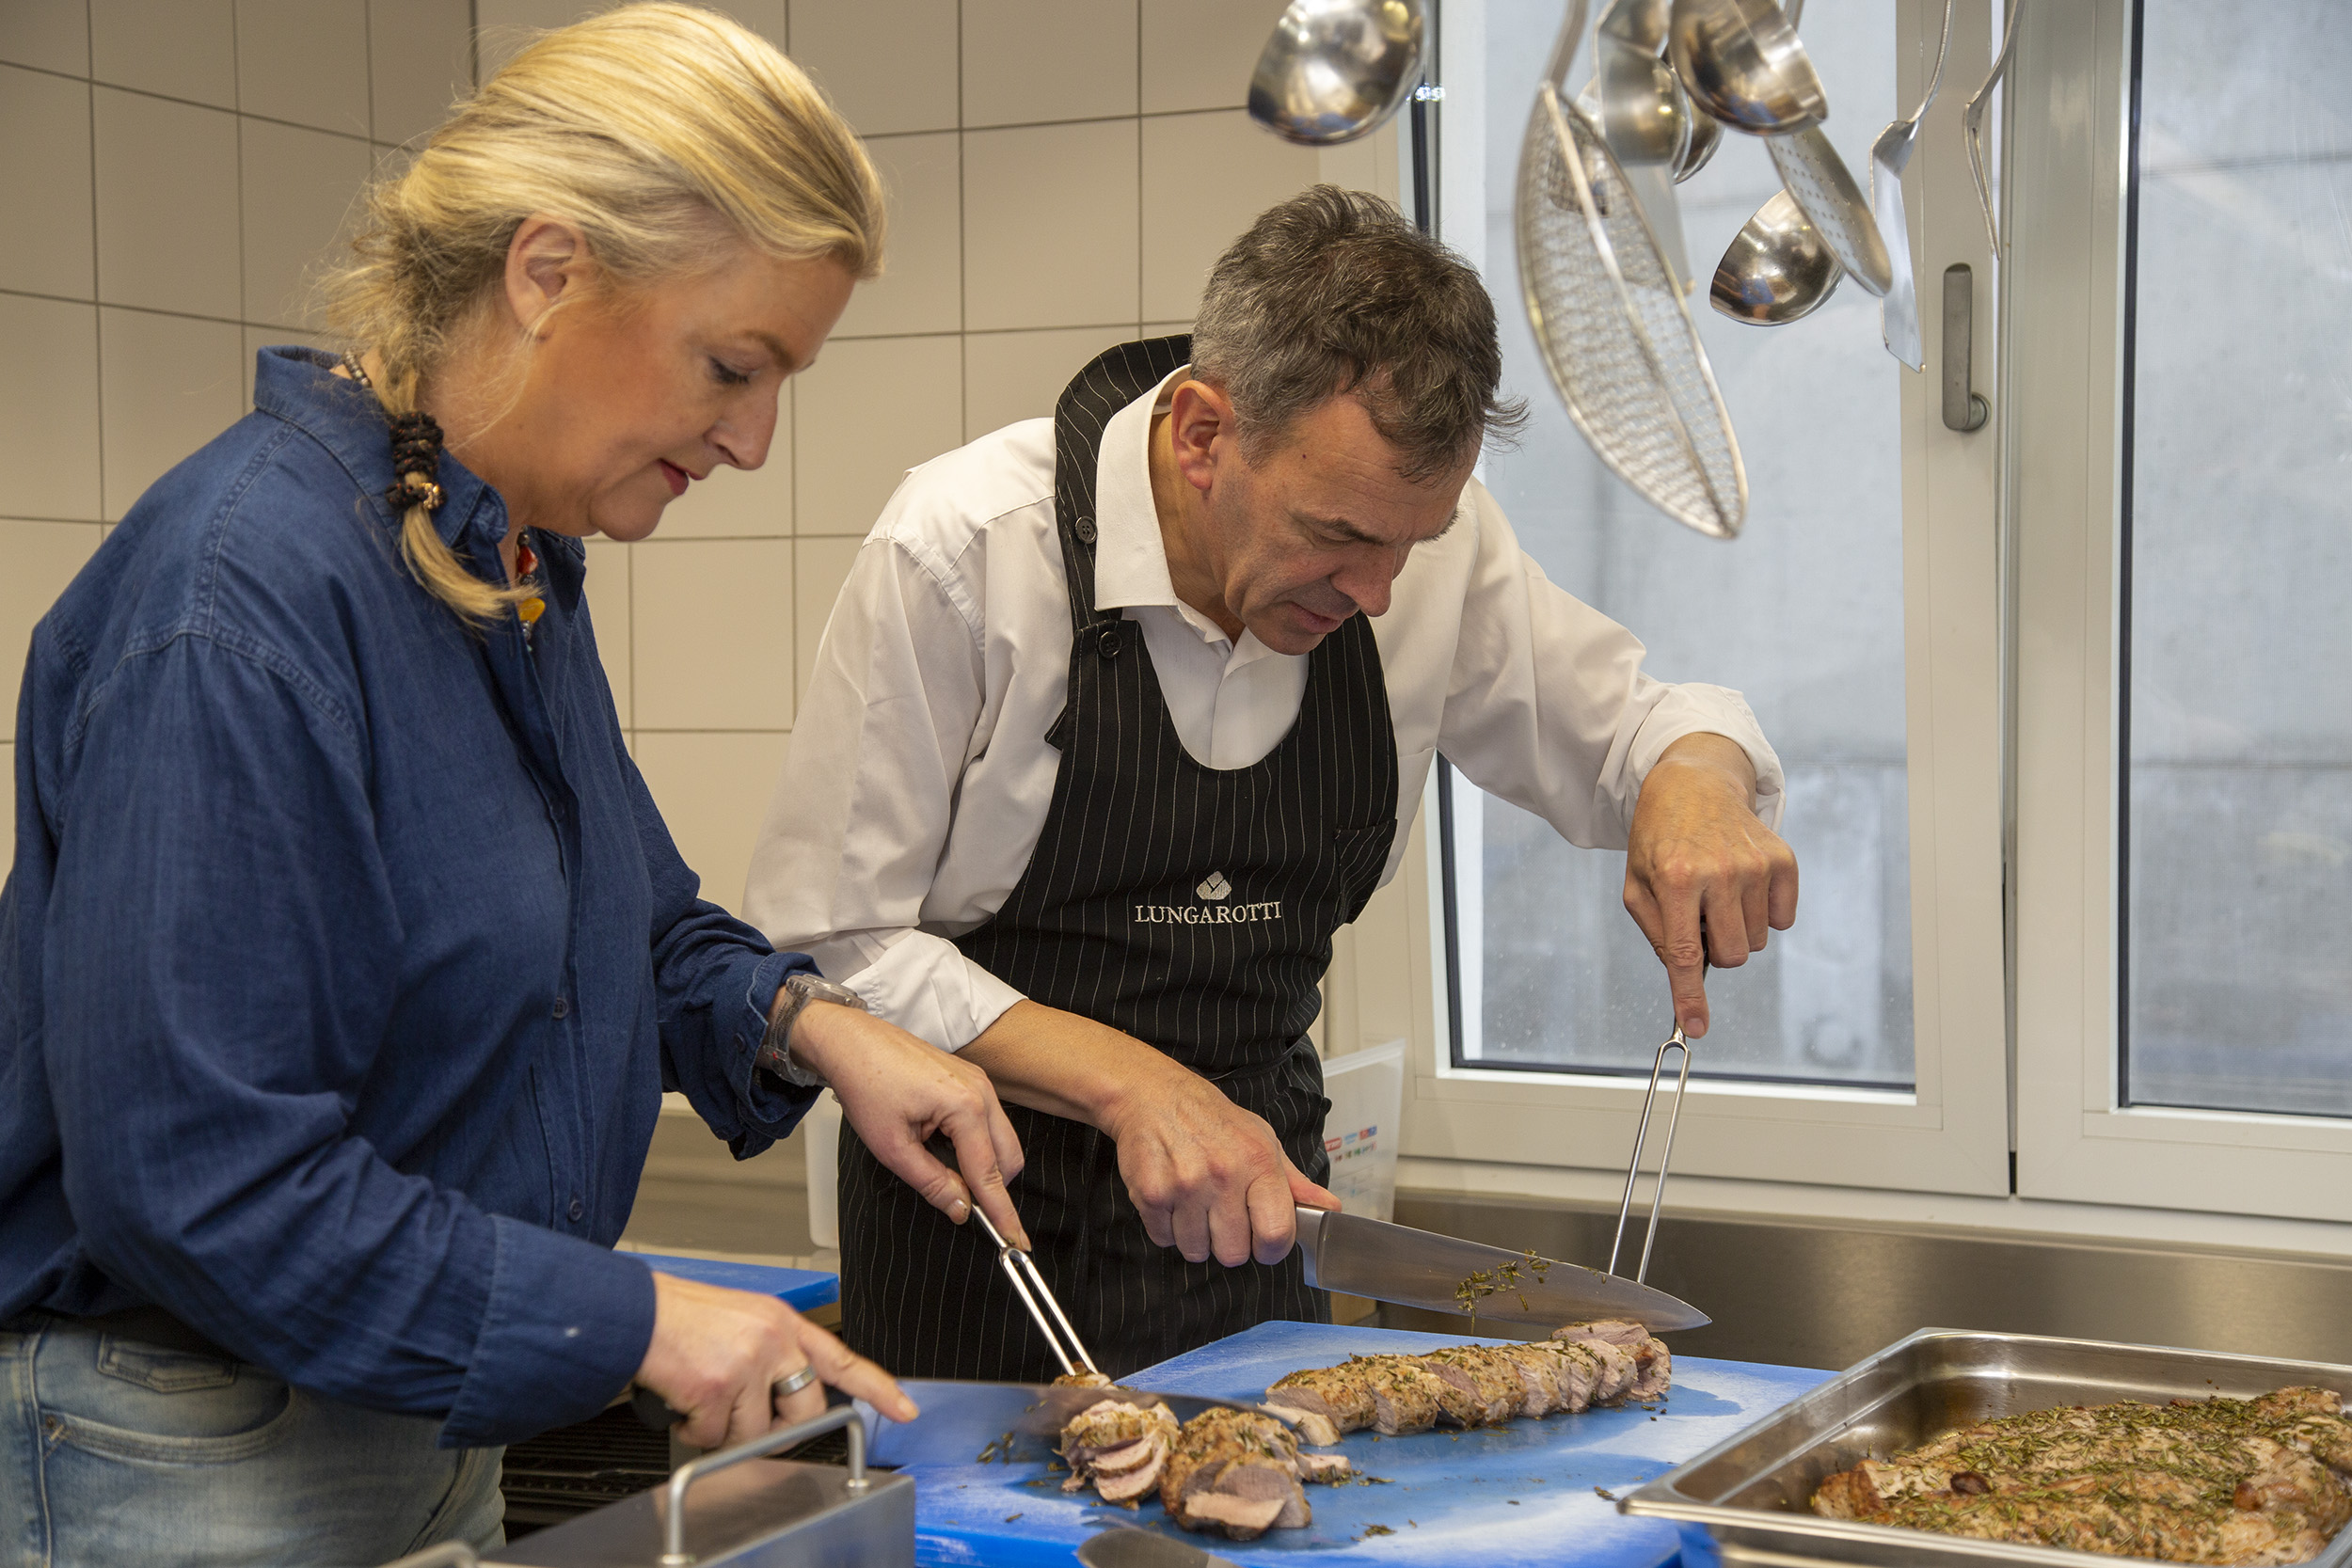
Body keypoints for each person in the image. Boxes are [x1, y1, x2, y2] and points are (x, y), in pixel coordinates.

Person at [0, 8, 1028, 1565]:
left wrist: (820, 1026)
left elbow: (631, 923)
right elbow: (190, 1176)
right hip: (193, 1449)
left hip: (411, 1417)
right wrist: (641, 1319)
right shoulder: (237, 603)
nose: (753, 440)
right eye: (733, 365)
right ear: (548, 271)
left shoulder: (504, 560)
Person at [743, 186, 1801, 1382]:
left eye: (1413, 541)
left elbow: (1639, 733)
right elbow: (825, 943)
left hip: (1255, 1219)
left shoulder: (1420, 552)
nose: (1381, 591)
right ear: (1202, 434)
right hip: (977, 1236)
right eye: (1336, 533)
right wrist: (1129, 1083)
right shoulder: (970, 546)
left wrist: (1695, 783)